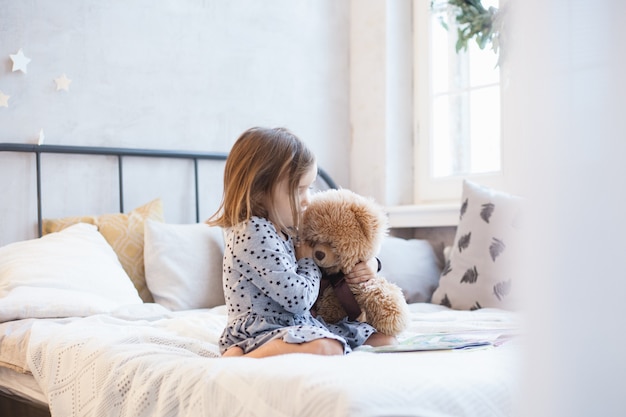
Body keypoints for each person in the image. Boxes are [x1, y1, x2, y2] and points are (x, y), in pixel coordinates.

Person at [207, 126, 395, 358]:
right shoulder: (252, 232)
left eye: (310, 187)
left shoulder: (289, 227)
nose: (307, 200)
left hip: (299, 323)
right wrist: (306, 261)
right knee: (329, 347)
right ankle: (242, 357)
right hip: (261, 331)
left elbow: (332, 256)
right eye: (298, 190)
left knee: (384, 339)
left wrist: (371, 265)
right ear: (259, 191)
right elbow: (298, 299)